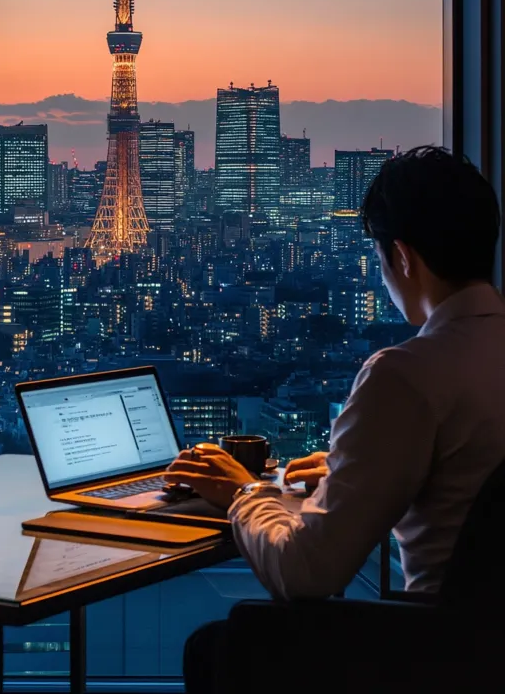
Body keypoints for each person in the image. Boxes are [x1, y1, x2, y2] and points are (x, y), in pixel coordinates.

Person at [165, 147, 505, 692]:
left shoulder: (406, 374)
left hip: (434, 654)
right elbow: (463, 485)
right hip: (489, 650)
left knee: (216, 647)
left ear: (402, 257)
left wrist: (242, 494)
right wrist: (359, 469)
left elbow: (308, 573)